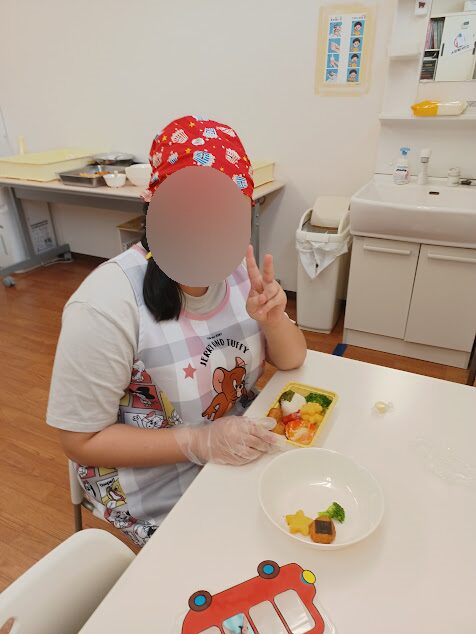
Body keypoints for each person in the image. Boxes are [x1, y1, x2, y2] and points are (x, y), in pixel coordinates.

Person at [46, 115, 307, 546]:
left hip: (238, 454)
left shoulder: (241, 274)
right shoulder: (106, 304)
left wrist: (274, 320)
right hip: (153, 488)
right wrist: (197, 442)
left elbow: (293, 359)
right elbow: (80, 439)